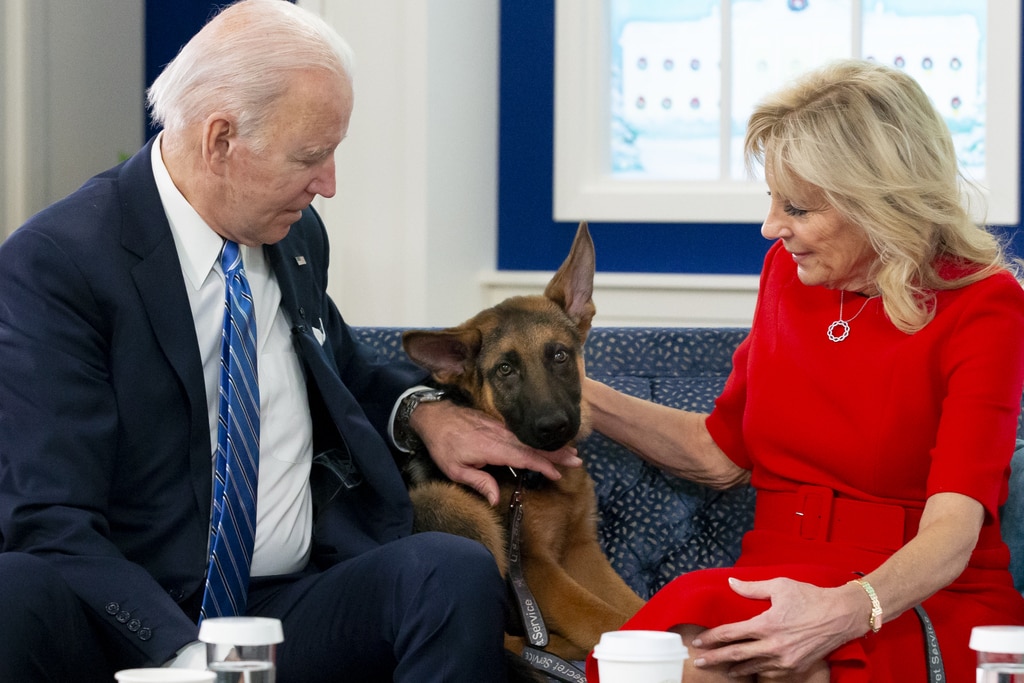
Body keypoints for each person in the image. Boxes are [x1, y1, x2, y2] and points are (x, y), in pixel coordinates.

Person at [0, 1, 580, 681]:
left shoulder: (292, 235)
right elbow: (48, 515)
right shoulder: (59, 264)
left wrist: (427, 412)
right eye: (311, 156)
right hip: (131, 614)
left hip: (283, 606)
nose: (328, 183)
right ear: (219, 140)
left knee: (447, 569)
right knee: (15, 590)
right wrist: (195, 660)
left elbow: (342, 366)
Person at [583, 59, 1024, 682]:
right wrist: (574, 393)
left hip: (910, 595)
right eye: (771, 199)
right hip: (771, 575)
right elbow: (722, 451)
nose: (771, 227)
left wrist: (845, 610)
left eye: (797, 207)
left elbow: (953, 530)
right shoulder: (785, 275)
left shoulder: (985, 303)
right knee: (657, 661)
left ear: (879, 201)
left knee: (776, 669)